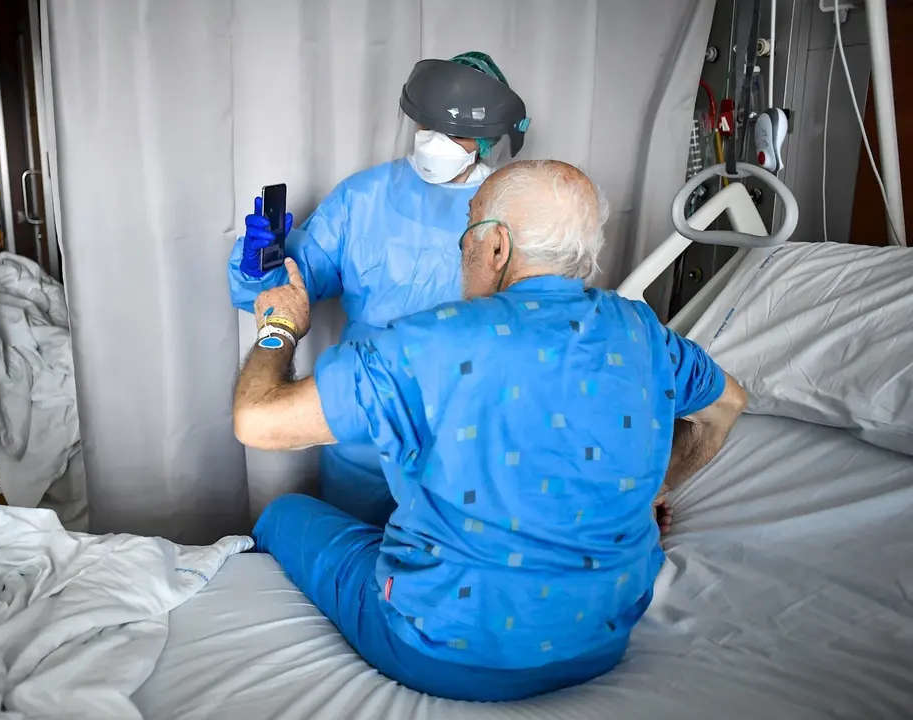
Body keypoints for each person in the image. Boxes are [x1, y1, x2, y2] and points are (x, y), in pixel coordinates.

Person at [232, 160, 746, 702]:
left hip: (440, 652)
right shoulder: (643, 332)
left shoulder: (430, 343)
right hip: (598, 642)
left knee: (283, 513)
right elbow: (728, 403)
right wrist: (656, 488)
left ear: (497, 246)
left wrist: (279, 325)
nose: (462, 250)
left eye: (468, 232)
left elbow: (256, 419)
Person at [228, 52, 530, 527]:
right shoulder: (363, 197)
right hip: (362, 423)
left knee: (444, 557)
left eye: (454, 131)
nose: (434, 140)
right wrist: (259, 268)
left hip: (461, 426)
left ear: (489, 138)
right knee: (353, 547)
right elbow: (291, 290)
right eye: (427, 124)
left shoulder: (509, 211)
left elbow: (536, 317)